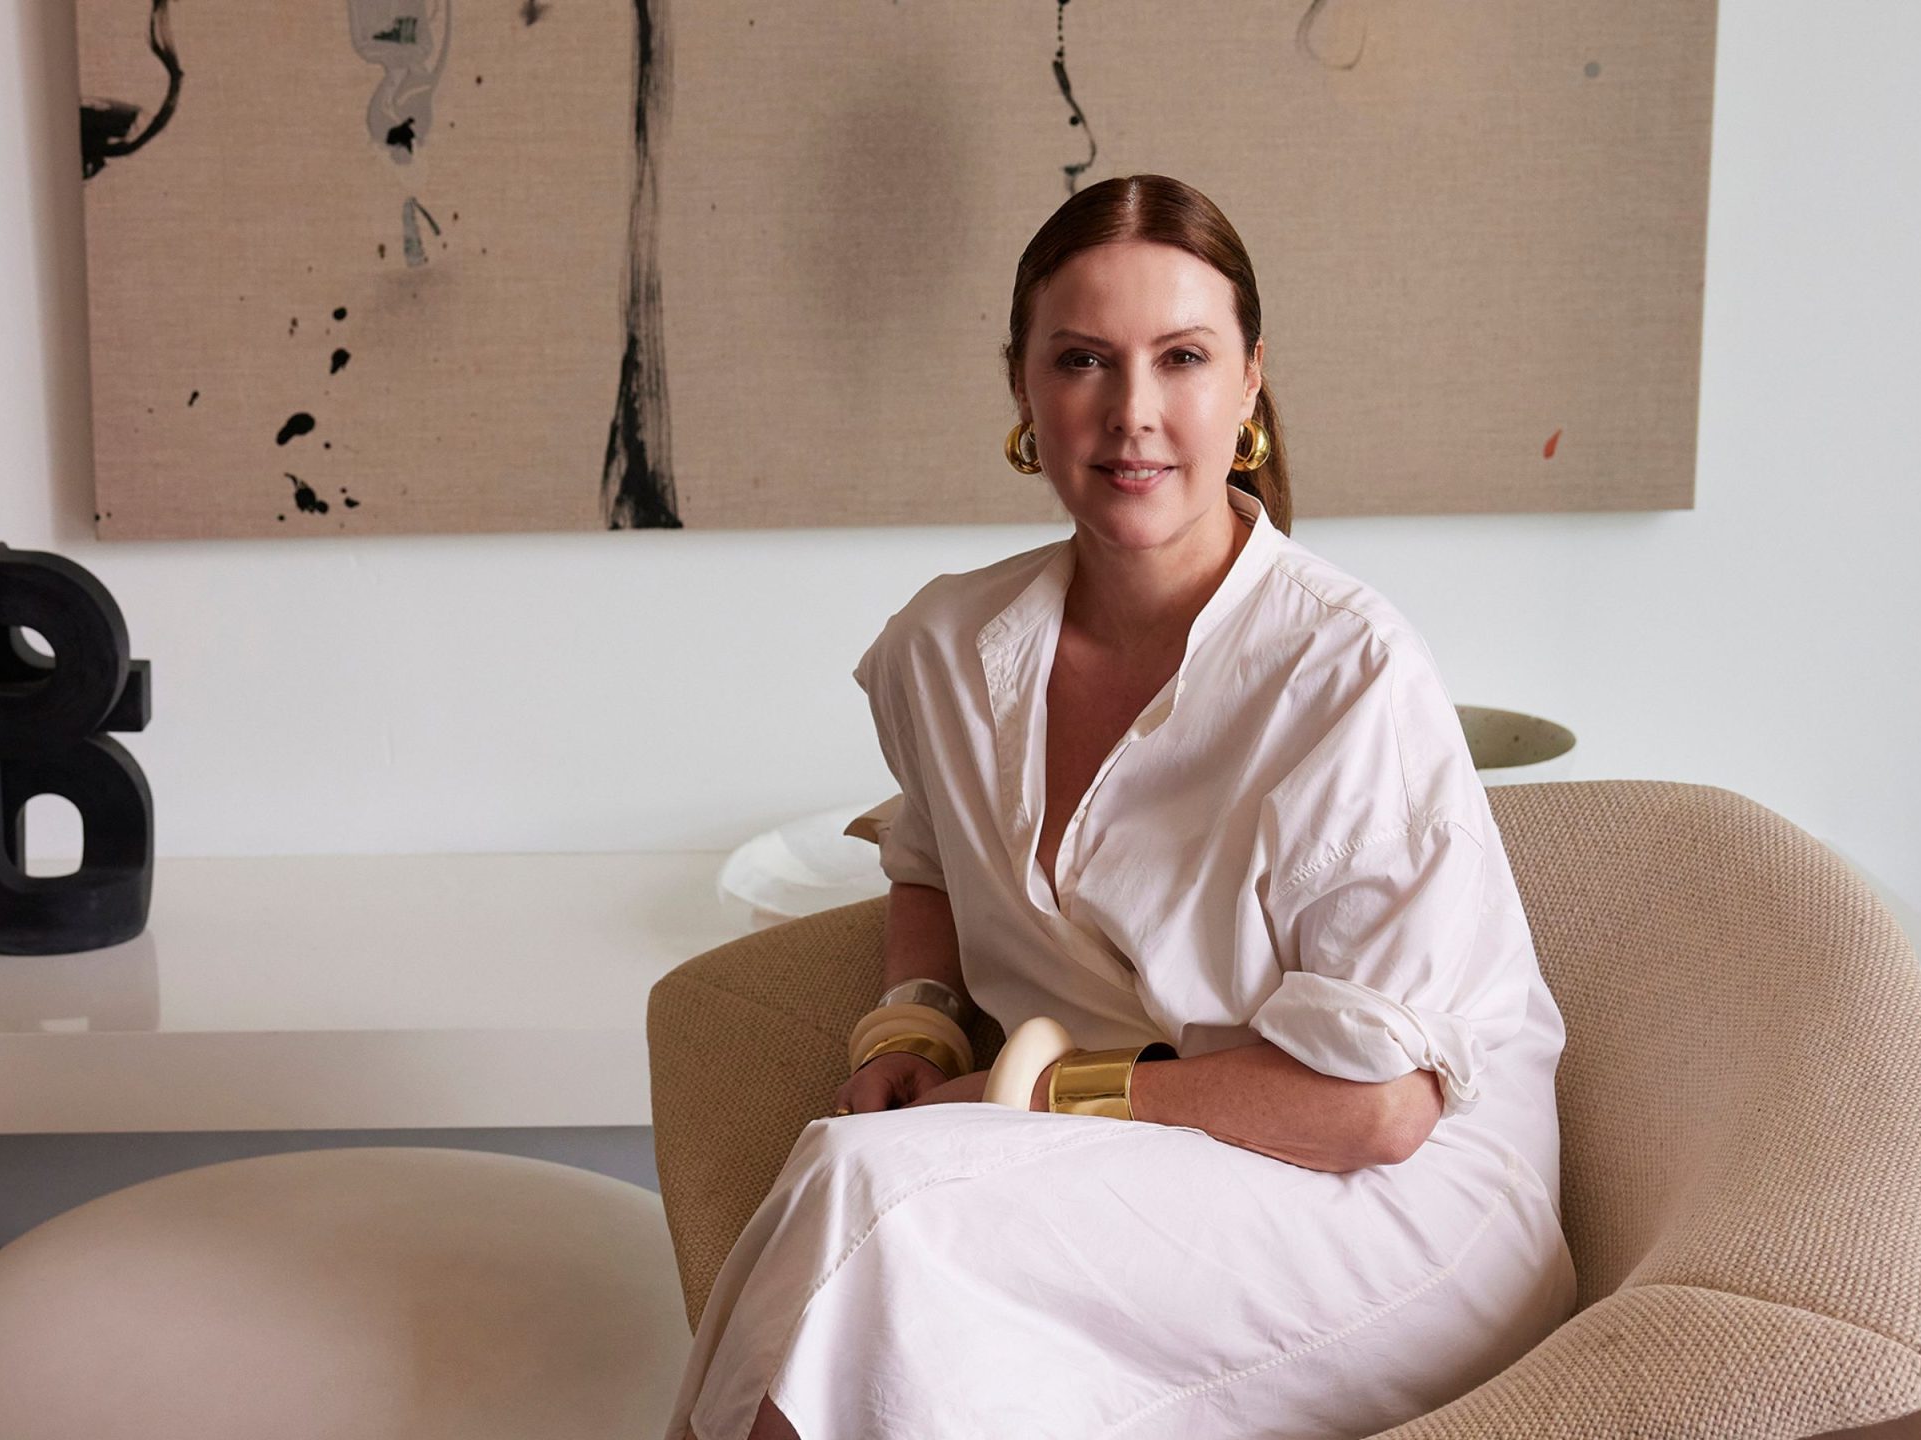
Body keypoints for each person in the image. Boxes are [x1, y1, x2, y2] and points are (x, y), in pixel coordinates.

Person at [665, 175, 1578, 1440]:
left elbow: (1375, 1110)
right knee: (862, 1193)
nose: (1132, 412)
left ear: (1248, 384)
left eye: (1182, 358)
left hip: (1382, 1214)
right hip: (1109, 1169)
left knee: (876, 1206)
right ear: (1023, 387)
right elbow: (930, 852)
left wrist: (1041, 1090)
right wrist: (913, 1023)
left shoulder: (1344, 671)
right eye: (1083, 359)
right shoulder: (945, 646)